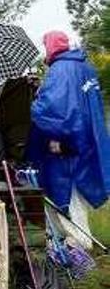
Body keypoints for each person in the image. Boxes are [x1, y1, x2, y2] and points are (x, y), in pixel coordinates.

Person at [28, 31, 110, 249]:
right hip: (85, 138)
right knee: (77, 190)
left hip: (65, 141)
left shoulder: (61, 69)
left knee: (65, 189)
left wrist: (33, 103)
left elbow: (52, 107)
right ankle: (67, 239)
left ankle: (79, 242)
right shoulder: (84, 66)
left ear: (52, 46)